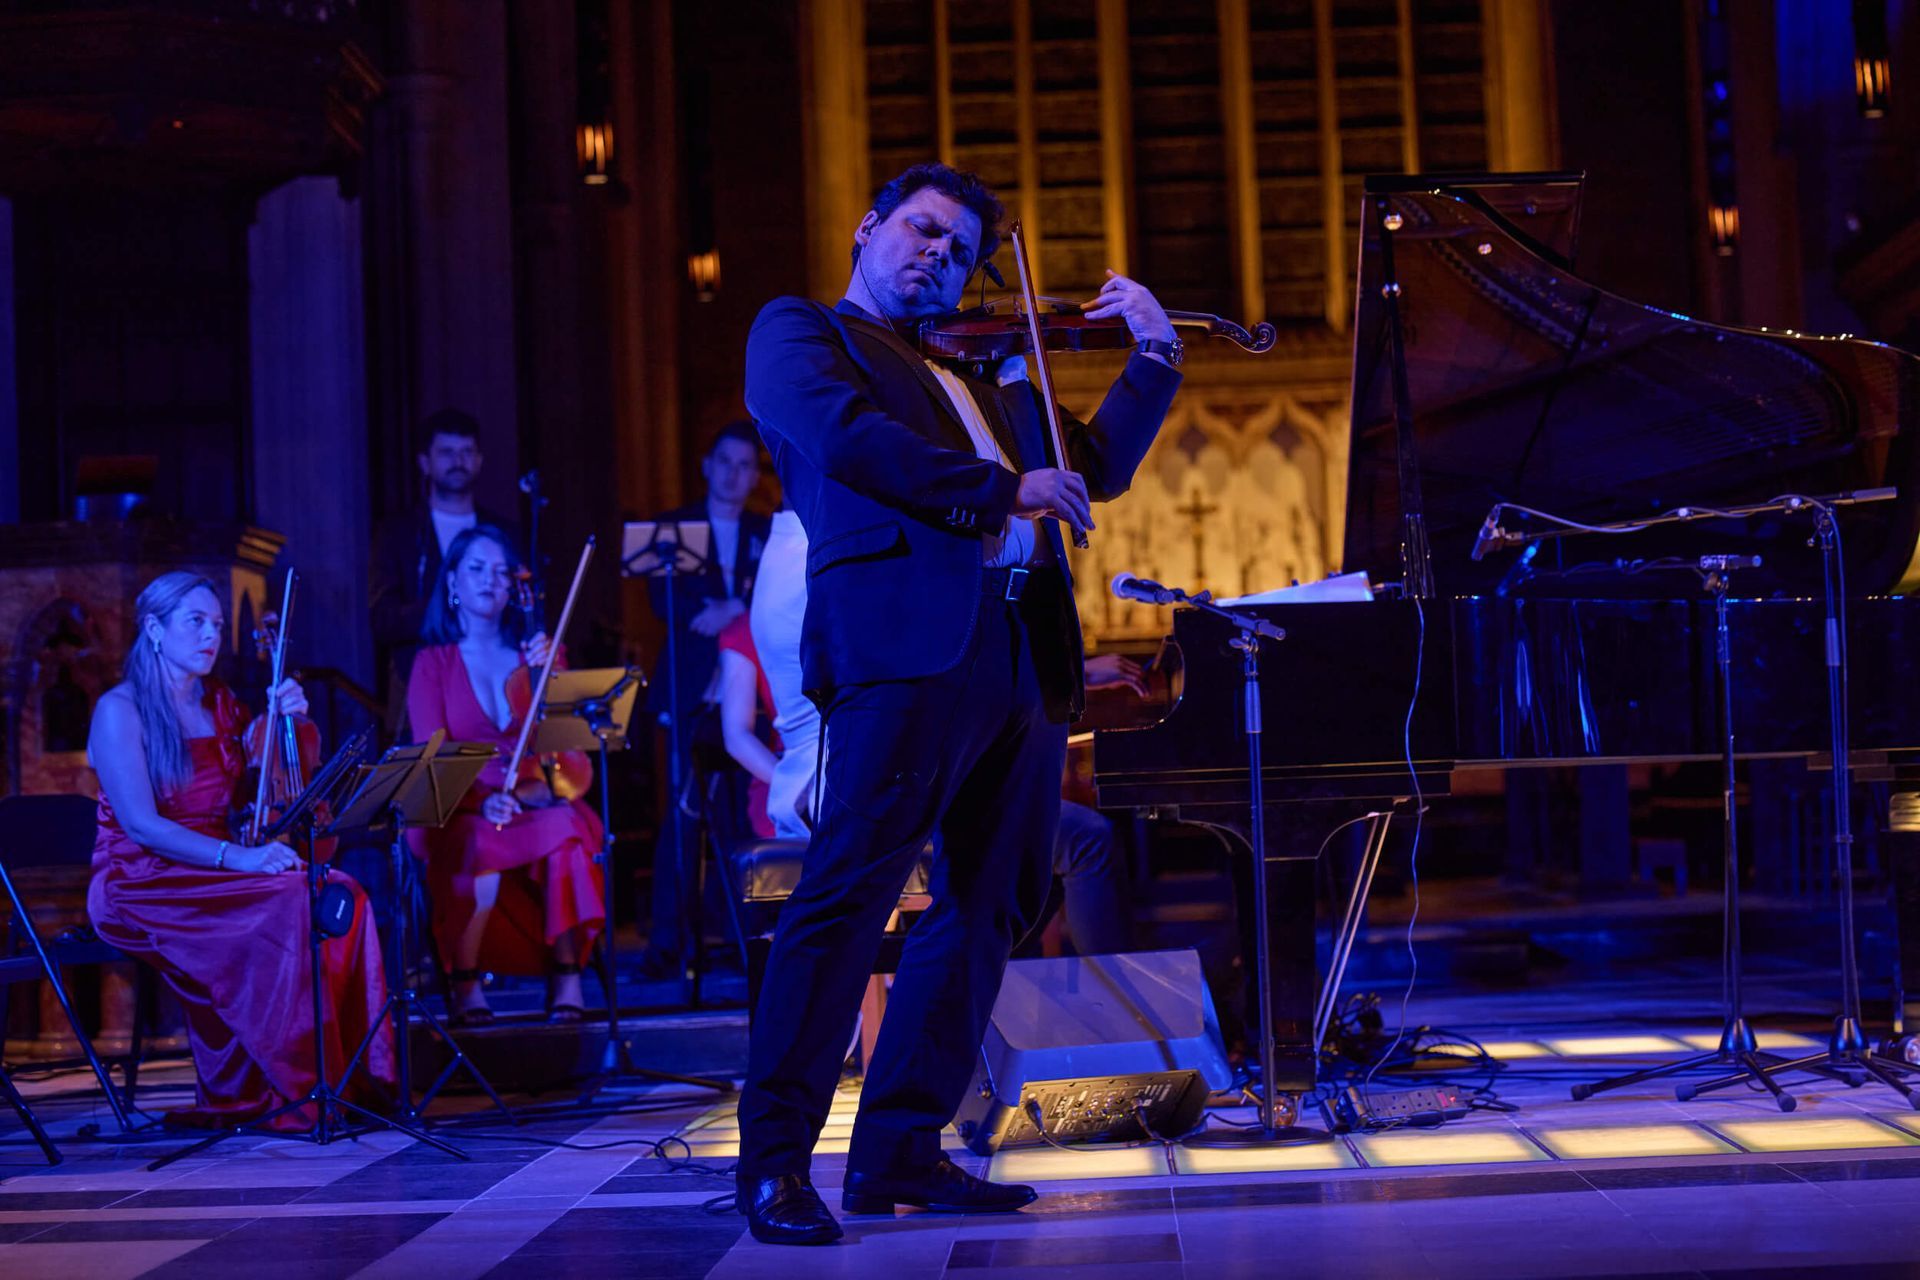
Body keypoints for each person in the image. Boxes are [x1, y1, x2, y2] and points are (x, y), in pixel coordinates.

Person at [734, 161, 1182, 1244]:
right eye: (925, 231)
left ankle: (900, 1148)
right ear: (868, 227)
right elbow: (848, 439)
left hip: (1019, 647)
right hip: (903, 647)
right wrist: (1001, 487)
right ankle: (775, 1163)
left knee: (994, 899)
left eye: (962, 251)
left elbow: (1090, 466)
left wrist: (1155, 357)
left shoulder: (982, 378)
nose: (940, 255)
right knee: (847, 897)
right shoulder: (804, 334)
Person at [86, 571, 394, 1128]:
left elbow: (259, 794)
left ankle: (347, 1080)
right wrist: (243, 859)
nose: (211, 636)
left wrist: (288, 724)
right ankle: (286, 1090)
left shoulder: (222, 703)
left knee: (337, 891)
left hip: (214, 864)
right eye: (195, 622)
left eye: (217, 624)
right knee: (286, 906)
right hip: (141, 878)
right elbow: (142, 827)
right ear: (154, 629)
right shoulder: (119, 709)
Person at [404, 525, 608, 1024]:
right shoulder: (432, 663)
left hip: (532, 797)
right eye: (476, 568)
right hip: (461, 804)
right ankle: (465, 980)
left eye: (501, 572)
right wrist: (480, 799)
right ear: (452, 581)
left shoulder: (536, 655)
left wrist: (551, 674)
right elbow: (432, 755)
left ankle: (567, 976)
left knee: (568, 831)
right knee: (477, 841)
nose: (490, 580)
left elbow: (566, 745)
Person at [640, 421, 772, 976]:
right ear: (707, 466)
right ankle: (667, 945)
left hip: (749, 691)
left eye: (745, 466)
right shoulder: (675, 527)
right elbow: (663, 600)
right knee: (683, 815)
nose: (734, 474)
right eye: (726, 463)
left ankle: (745, 939)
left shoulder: (768, 529)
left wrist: (734, 610)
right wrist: (716, 610)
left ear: (755, 476)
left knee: (743, 813)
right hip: (691, 687)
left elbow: (773, 597)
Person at [369, 408, 520, 730]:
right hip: (416, 680)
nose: (458, 461)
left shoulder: (502, 532)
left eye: (466, 452)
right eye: (447, 453)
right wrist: (456, 605)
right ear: (424, 462)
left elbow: (519, 606)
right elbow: (383, 619)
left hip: (492, 680)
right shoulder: (399, 532)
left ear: (479, 460)